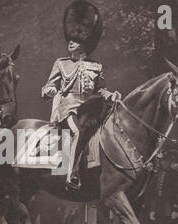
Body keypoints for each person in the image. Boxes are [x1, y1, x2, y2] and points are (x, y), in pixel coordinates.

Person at [41, 0, 120, 190]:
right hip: (68, 108)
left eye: (75, 40)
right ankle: (72, 174)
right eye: (70, 39)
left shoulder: (96, 66)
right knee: (77, 132)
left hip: (90, 109)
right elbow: (48, 85)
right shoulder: (61, 63)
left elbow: (101, 89)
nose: (71, 42)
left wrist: (112, 95)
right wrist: (49, 90)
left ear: (85, 43)